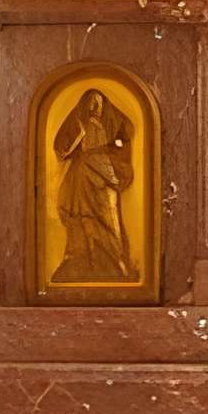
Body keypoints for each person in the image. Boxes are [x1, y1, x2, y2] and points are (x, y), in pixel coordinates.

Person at [51, 88, 136, 283]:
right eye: (90, 102)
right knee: (83, 219)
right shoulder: (79, 123)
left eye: (98, 102)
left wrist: (114, 153)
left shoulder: (112, 125)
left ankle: (118, 261)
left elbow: (124, 141)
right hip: (82, 176)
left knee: (109, 220)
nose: (94, 106)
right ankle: (84, 260)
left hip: (105, 173)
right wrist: (78, 137)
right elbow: (62, 147)